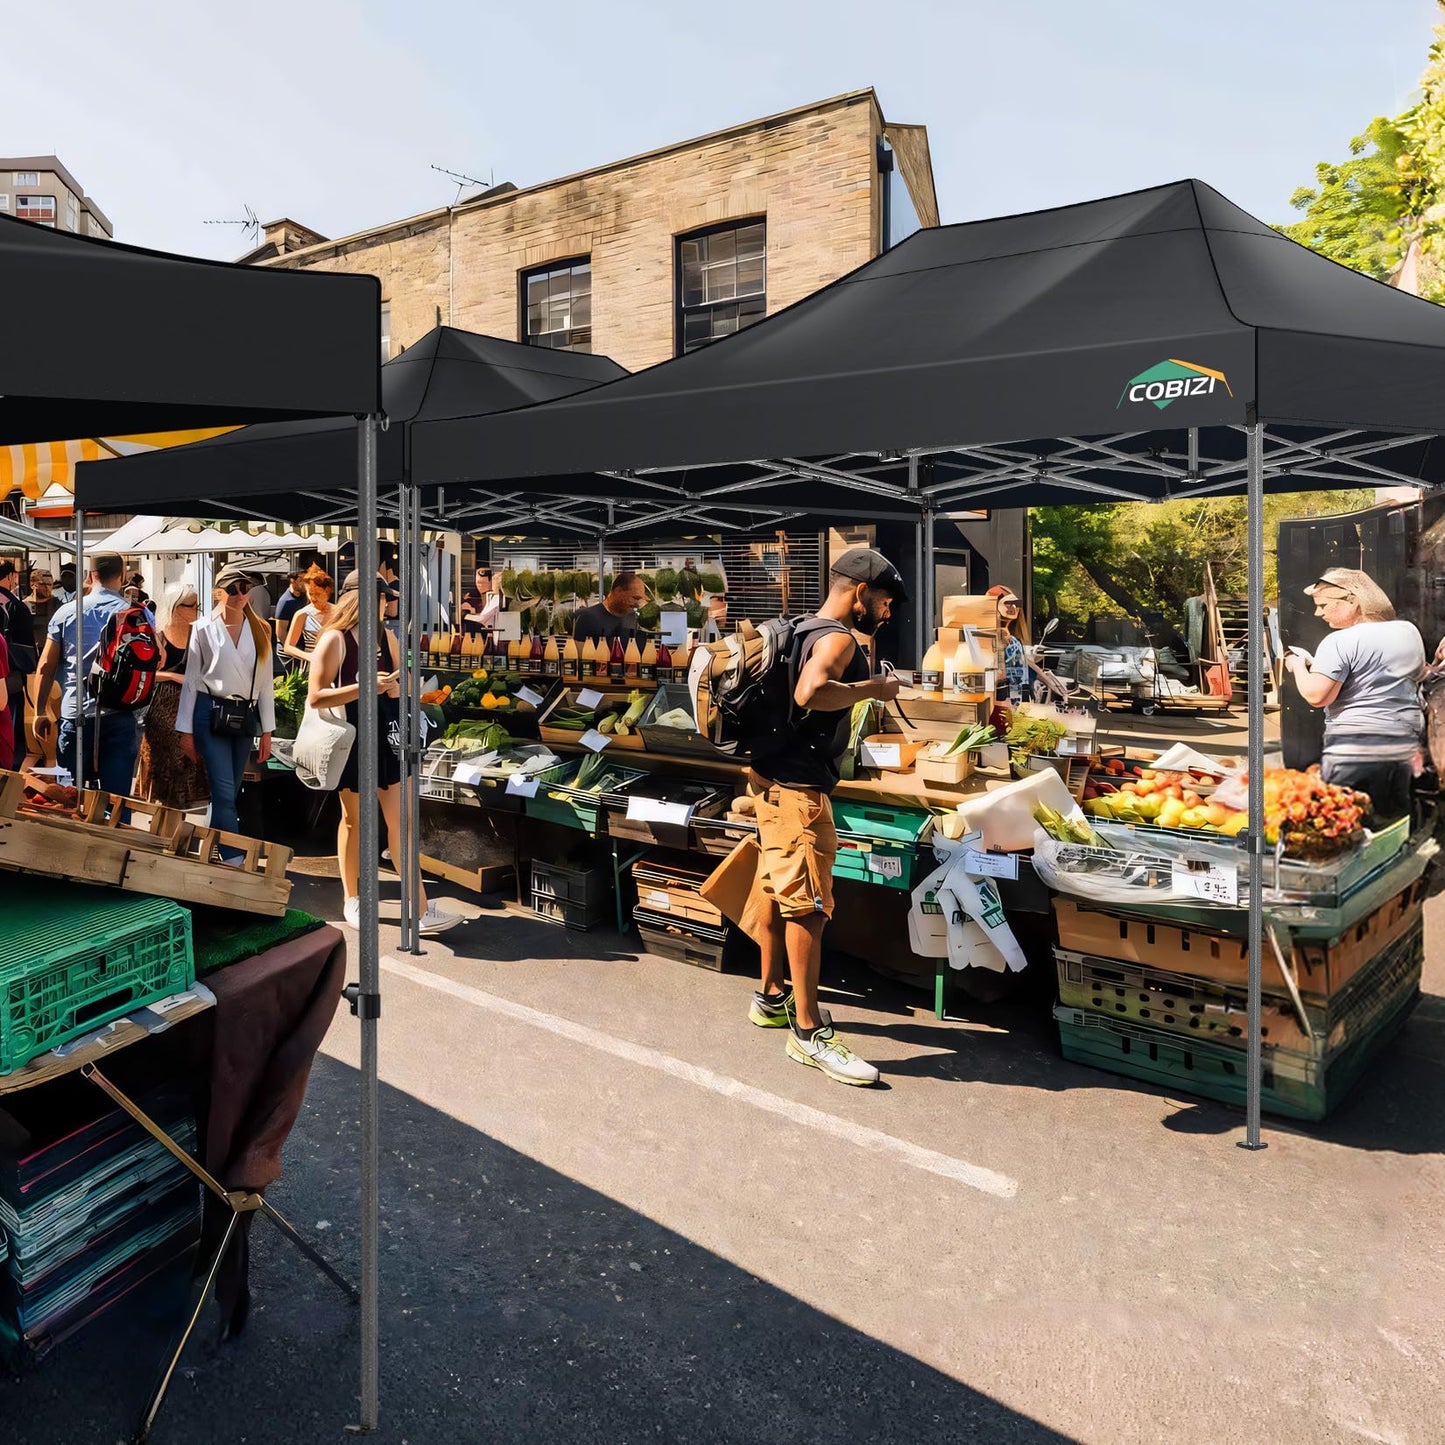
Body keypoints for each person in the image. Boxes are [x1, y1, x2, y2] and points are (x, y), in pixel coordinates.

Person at [739, 547, 906, 1087]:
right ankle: (808, 1032)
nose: (885, 612)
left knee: (774, 890)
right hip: (798, 795)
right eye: (881, 601)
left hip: (767, 782)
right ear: (859, 592)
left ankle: (769, 997)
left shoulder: (800, 629)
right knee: (808, 906)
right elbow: (813, 692)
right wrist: (873, 689)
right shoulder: (837, 638)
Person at [307, 571, 460, 934]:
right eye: (380, 597)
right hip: (354, 737)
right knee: (354, 821)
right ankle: (352, 898)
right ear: (358, 598)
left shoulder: (386, 635)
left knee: (402, 823)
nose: (387, 603)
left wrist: (398, 688)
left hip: (388, 735)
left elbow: (401, 682)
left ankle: (420, 909)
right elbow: (315, 696)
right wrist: (363, 687)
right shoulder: (335, 639)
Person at [1286, 568, 1425, 825]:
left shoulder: (1339, 641)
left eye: (1325, 605)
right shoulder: (1408, 631)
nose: (1319, 613)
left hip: (1356, 750)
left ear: (1353, 599)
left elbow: (1316, 696)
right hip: (1403, 746)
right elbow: (1404, 676)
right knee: (1393, 820)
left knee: (1348, 823)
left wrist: (1297, 666)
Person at [176, 566, 273, 863]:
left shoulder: (261, 629)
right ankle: (234, 858)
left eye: (245, 589)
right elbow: (192, 680)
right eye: (233, 589)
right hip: (211, 712)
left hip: (244, 716)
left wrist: (267, 729)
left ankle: (211, 845)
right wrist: (185, 731)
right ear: (219, 591)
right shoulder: (204, 627)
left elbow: (266, 682)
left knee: (230, 790)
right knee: (223, 789)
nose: (240, 595)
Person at [32, 552, 148, 795]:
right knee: (116, 803)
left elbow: (45, 667)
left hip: (77, 713)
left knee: (72, 799)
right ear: (123, 575)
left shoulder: (66, 612)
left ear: (90, 575)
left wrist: (40, 711)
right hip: (120, 712)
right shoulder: (139, 613)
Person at [135, 581, 209, 809]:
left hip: (194, 703)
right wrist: (173, 677)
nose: (198, 609)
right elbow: (144, 674)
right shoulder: (157, 636)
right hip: (163, 705)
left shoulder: (202, 635)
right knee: (168, 760)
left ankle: (185, 811)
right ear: (176, 607)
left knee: (192, 759)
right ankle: (166, 810)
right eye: (192, 605)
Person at [23, 565, 61, 764]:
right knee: (33, 735)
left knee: (53, 726)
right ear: (32, 584)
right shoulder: (23, 606)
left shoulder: (58, 604)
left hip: (54, 672)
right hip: (30, 673)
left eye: (50, 584)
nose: (47, 588)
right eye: (43, 584)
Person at [0, 558, 34, 769]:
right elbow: (26, 646)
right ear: (11, 576)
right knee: (9, 723)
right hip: (10, 676)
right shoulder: (15, 605)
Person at [282, 566, 336, 667]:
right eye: (310, 594)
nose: (313, 598)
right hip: (311, 667)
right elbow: (288, 647)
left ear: (327, 592)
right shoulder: (302, 614)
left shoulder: (339, 612)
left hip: (336, 665)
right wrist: (309, 657)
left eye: (318, 594)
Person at [572, 572, 646, 645]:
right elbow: (579, 654)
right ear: (618, 591)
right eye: (635, 598)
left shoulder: (633, 618)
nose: (637, 604)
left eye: (640, 599)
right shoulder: (588, 618)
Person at [986, 584, 1031, 704]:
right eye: (1008, 603)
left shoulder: (1013, 640)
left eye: (1016, 603)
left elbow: (1019, 672)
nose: (1014, 607)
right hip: (1001, 696)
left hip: (1013, 695)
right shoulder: (989, 637)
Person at [460, 568, 501, 637]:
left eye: (484, 583)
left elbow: (483, 618)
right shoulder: (492, 597)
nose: (480, 585)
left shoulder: (496, 599)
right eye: (478, 582)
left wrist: (465, 615)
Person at [273, 570, 307, 651]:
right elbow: (281, 633)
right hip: (289, 651)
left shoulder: (303, 596)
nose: (305, 583)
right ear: (292, 581)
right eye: (301, 580)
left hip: (302, 645)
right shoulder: (285, 602)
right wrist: (294, 651)